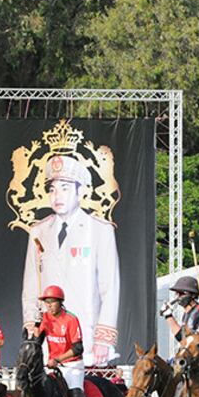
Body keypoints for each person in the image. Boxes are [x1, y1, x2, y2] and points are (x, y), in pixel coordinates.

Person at [22, 153, 121, 366]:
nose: (57, 195)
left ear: (80, 191)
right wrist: (31, 325)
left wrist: (103, 338)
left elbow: (109, 288)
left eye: (65, 188)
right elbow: (31, 285)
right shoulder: (39, 231)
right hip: (49, 339)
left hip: (85, 333)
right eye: (52, 189)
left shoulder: (99, 230)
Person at [27, 285, 94, 397]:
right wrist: (36, 325)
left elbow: (78, 348)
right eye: (46, 302)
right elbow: (36, 342)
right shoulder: (45, 318)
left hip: (72, 365)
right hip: (51, 365)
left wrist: (58, 359)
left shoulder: (71, 319)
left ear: (60, 302)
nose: (49, 305)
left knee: (76, 394)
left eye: (52, 302)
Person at [161, 276, 199, 342]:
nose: (178, 296)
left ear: (193, 295)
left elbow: (187, 341)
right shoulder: (187, 312)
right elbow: (182, 337)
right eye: (177, 293)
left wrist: (169, 316)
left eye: (181, 293)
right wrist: (168, 316)